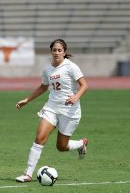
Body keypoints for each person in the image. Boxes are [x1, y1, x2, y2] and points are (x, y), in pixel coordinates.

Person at [16, 38, 88, 182]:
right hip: (51, 108)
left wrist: (76, 97)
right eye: (54, 50)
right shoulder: (47, 69)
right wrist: (27, 100)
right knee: (39, 138)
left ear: (64, 52)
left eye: (59, 50)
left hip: (70, 112)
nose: (56, 52)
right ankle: (28, 174)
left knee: (61, 147)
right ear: (51, 51)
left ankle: (81, 144)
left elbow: (84, 85)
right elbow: (43, 87)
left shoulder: (71, 66)